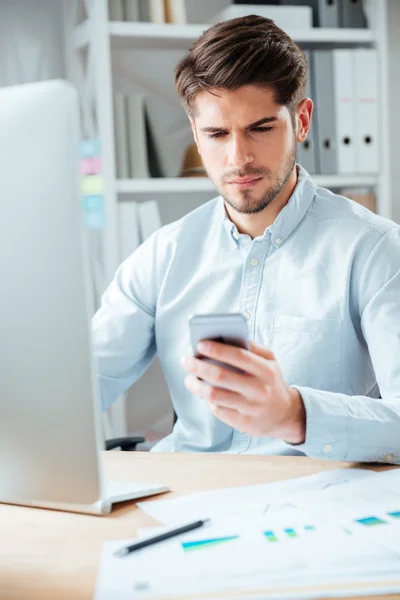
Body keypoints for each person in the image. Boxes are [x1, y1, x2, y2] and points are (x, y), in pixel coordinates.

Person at [92, 15, 400, 462]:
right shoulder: (163, 255)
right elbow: (81, 387)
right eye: (217, 134)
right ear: (196, 134)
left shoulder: (375, 251)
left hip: (313, 505)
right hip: (188, 498)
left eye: (260, 128)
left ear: (302, 121)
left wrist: (295, 414)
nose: (239, 158)